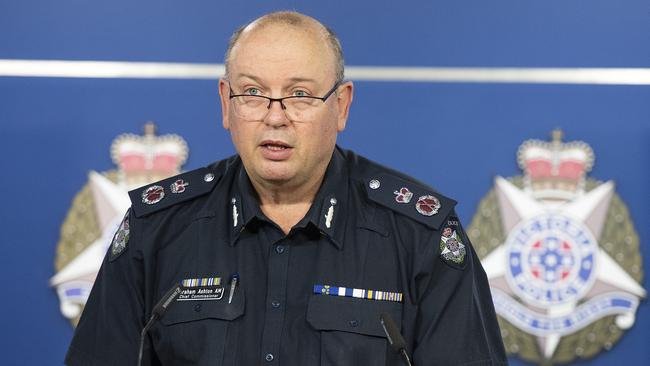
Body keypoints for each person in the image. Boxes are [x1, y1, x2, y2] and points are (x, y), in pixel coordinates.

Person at [65, 11, 507, 366]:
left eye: (299, 94)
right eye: (253, 92)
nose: (275, 117)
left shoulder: (420, 233)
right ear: (225, 103)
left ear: (341, 105)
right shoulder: (156, 227)